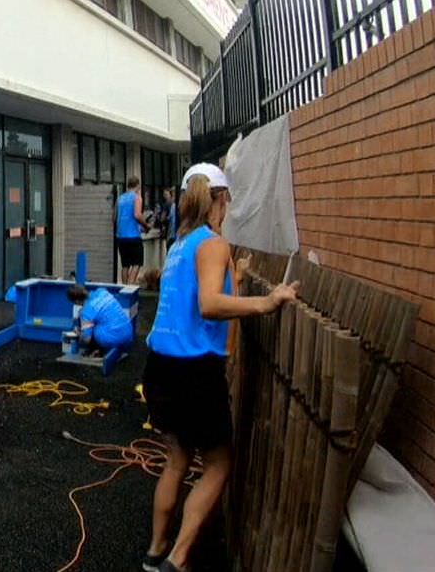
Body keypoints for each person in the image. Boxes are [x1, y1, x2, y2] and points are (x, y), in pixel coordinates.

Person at [140, 163, 299, 572]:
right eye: (227, 201)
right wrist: (267, 302)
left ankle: (155, 551)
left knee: (177, 461)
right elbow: (210, 304)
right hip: (193, 373)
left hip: (160, 367)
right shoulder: (212, 244)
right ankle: (178, 559)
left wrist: (237, 278)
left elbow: (201, 294)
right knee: (218, 464)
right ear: (220, 199)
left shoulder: (180, 245)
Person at [67, 284, 133, 369]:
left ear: (76, 301)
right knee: (101, 320)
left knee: (91, 330)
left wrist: (79, 333)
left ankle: (96, 351)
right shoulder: (102, 291)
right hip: (128, 332)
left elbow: (86, 339)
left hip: (113, 338)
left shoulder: (86, 312)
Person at [116, 177, 148, 284]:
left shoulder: (119, 199)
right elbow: (137, 215)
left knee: (125, 265)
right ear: (138, 186)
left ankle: (124, 287)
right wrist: (146, 226)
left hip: (121, 237)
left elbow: (114, 218)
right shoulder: (137, 197)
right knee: (137, 263)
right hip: (133, 236)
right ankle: (130, 286)